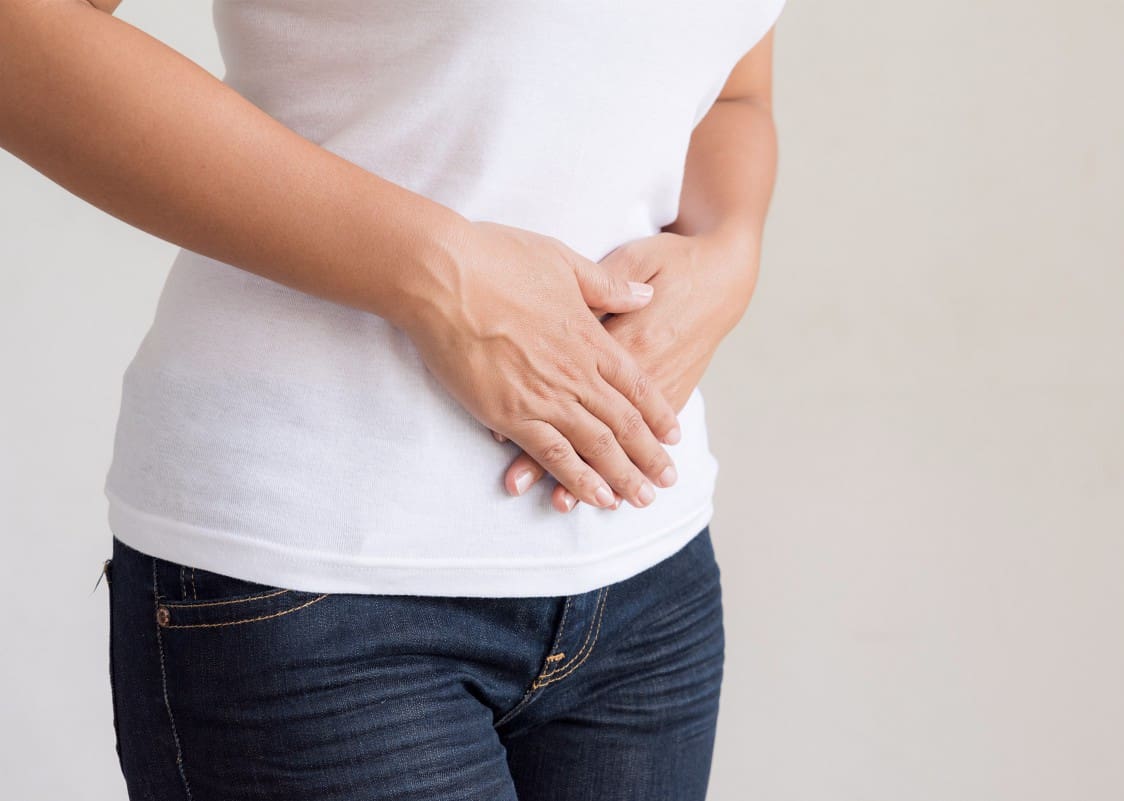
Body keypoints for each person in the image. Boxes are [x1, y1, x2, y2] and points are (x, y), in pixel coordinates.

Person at [1, 0, 785, 798]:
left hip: (649, 574)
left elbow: (734, 92)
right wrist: (438, 277)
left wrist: (729, 250)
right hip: (315, 583)